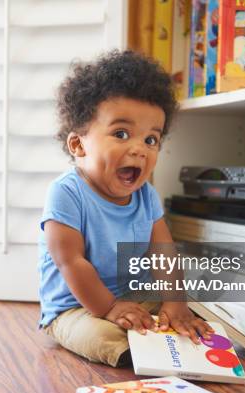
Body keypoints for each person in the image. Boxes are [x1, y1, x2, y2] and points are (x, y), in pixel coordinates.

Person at [37, 50, 213, 367]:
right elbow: (71, 262)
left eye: (151, 139)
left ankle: (165, 334)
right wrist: (110, 309)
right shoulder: (65, 194)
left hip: (133, 297)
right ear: (78, 145)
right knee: (102, 337)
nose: (139, 149)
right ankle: (141, 345)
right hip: (76, 306)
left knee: (194, 308)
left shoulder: (146, 195)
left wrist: (175, 302)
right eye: (121, 134)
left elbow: (164, 252)